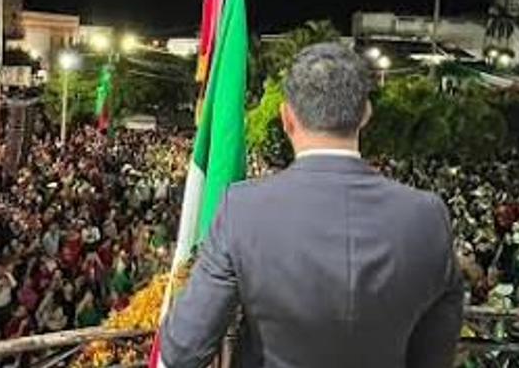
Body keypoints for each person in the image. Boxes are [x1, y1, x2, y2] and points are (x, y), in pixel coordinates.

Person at [160, 43, 464, 368]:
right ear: (366, 114)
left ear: (286, 118)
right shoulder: (428, 217)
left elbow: (184, 350)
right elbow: (435, 353)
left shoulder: (242, 209)